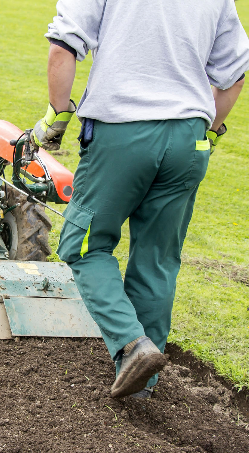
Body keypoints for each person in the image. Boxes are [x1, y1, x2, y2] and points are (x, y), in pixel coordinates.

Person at [32, 0, 249, 398]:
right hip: (190, 138)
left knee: (84, 246)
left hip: (121, 131)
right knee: (157, 261)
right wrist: (211, 131)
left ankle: (132, 345)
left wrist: (57, 117)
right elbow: (234, 74)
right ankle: (140, 389)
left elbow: (63, 46)